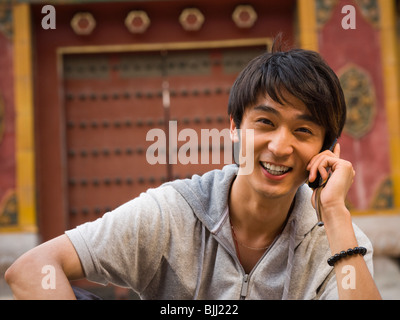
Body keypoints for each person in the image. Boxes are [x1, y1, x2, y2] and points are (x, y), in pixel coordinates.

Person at [5, 40, 382, 300]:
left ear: (328, 150)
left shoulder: (334, 239)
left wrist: (333, 212)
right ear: (234, 127)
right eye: (265, 123)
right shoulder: (173, 213)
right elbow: (31, 269)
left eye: (303, 131)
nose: (280, 147)